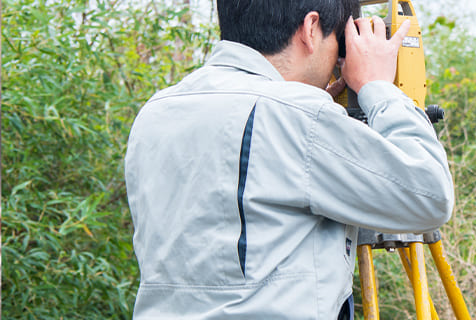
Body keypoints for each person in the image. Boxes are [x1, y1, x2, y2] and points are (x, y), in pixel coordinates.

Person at [123, 0, 454, 318]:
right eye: (339, 40)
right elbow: (430, 197)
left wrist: (316, 118)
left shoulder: (157, 110)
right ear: (311, 28)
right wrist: (378, 88)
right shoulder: (295, 117)